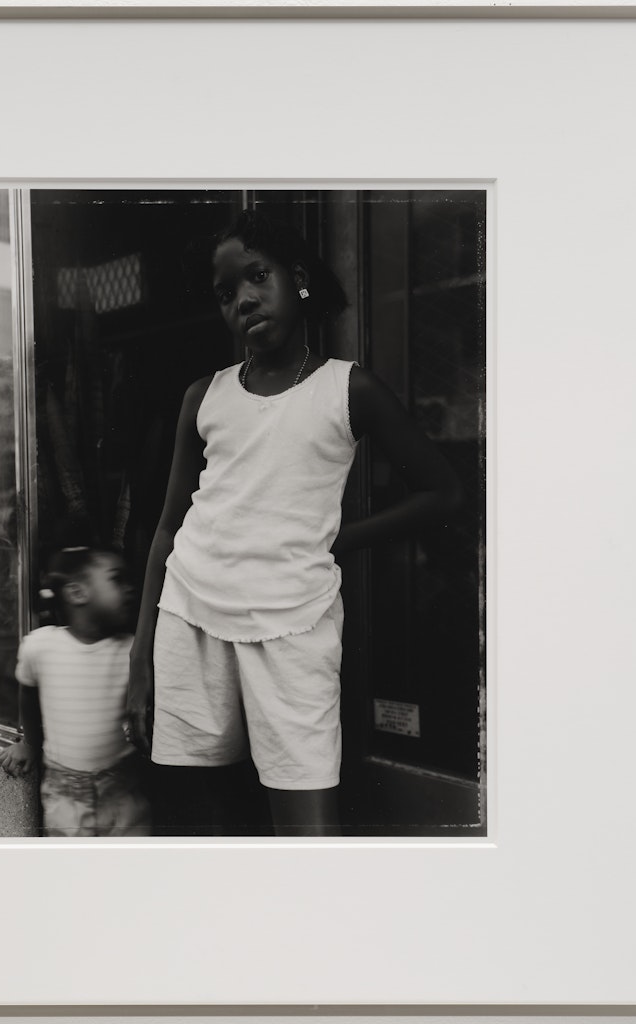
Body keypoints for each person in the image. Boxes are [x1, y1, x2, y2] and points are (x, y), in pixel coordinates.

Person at [126, 209, 462, 837]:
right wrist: (139, 657)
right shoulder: (205, 396)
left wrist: (339, 541)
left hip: (293, 623)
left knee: (307, 831)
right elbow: (170, 530)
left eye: (257, 276)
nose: (245, 299)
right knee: (199, 823)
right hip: (190, 615)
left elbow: (443, 492)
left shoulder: (348, 389)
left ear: (298, 277)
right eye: (227, 294)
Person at [0, 547, 151, 837]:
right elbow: (28, 695)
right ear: (78, 593)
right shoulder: (41, 646)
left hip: (122, 791)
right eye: (117, 580)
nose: (130, 588)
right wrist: (30, 743)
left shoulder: (132, 651)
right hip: (65, 796)